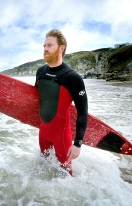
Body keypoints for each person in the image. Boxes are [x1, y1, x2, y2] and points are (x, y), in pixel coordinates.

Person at [35, 29, 88, 175]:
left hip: (62, 137)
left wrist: (77, 144)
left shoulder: (73, 78)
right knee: (43, 168)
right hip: (43, 133)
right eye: (44, 46)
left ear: (61, 48)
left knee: (66, 175)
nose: (45, 49)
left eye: (49, 45)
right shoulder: (40, 72)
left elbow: (83, 113)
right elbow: (37, 100)